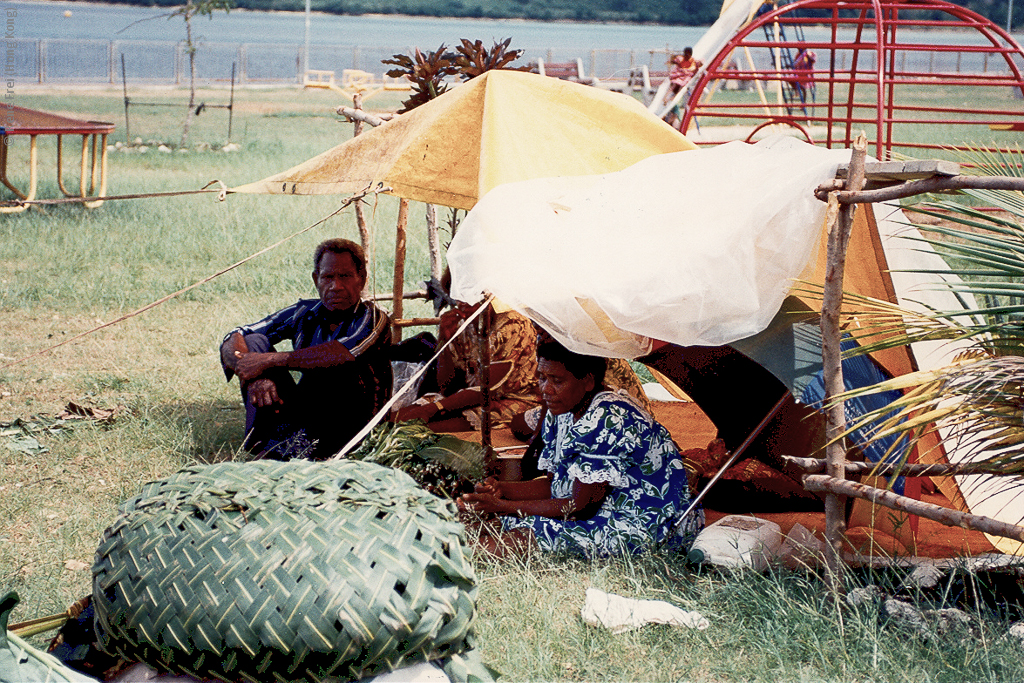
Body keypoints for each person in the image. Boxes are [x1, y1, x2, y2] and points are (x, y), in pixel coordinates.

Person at [458, 340, 703, 557]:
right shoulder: (562, 410)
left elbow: (580, 507)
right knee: (493, 519)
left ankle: (451, 556)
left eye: (557, 380)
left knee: (527, 535)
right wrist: (501, 491)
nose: (546, 389)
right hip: (594, 507)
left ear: (587, 381)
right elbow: (554, 486)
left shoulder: (608, 416)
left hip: (647, 520)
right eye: (542, 378)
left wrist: (505, 506)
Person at [220, 238, 392, 460]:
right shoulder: (304, 312)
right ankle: (267, 447)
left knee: (272, 359)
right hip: (309, 415)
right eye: (328, 277)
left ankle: (308, 450)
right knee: (253, 342)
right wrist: (252, 374)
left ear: (362, 280)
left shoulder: (374, 318)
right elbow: (236, 335)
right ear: (316, 279)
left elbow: (340, 354)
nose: (336, 286)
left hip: (357, 424)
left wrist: (268, 361)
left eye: (345, 276)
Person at [391, 298, 540, 432]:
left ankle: (411, 435)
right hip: (472, 395)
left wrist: (436, 408)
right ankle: (379, 428)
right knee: (415, 409)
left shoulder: (512, 324)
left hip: (514, 399)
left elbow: (486, 389)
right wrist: (445, 339)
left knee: (445, 422)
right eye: (459, 294)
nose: (462, 301)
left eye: (471, 294)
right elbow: (445, 385)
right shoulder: (464, 324)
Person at [664, 47, 702, 125]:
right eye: (686, 55)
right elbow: (674, 60)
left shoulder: (692, 61)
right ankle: (665, 98)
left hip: (686, 76)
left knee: (681, 86)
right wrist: (671, 61)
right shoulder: (681, 59)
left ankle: (672, 98)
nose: (687, 56)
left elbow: (698, 65)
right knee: (674, 85)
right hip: (680, 74)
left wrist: (700, 64)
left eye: (689, 55)